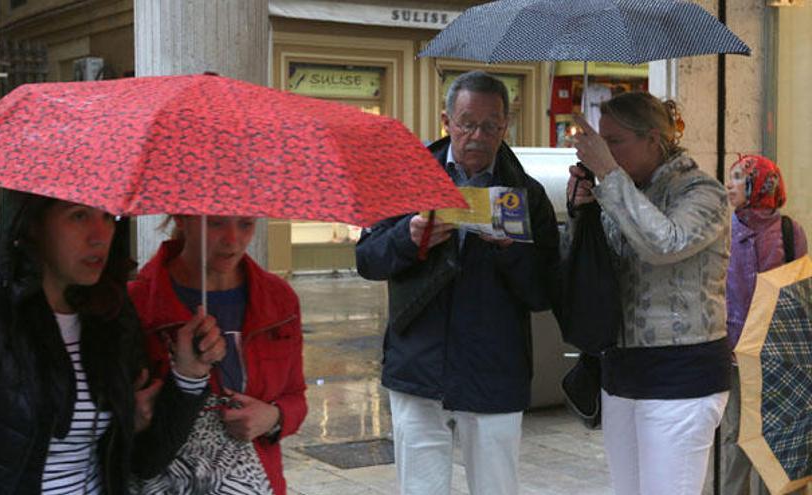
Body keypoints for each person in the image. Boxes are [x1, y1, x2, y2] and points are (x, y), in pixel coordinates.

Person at [0, 190, 224, 494]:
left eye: (109, 216)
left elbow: (145, 463)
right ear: (33, 224)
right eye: (79, 215)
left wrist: (189, 376)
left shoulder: (110, 315)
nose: (100, 236)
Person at [355, 70, 560, 495]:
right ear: (446, 121)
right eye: (467, 123)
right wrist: (408, 238)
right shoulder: (406, 178)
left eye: (491, 125)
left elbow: (543, 292)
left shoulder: (528, 195)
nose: (478, 136)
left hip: (494, 372)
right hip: (418, 366)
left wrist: (511, 251)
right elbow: (367, 260)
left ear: (506, 126)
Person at [568, 92, 732, 495]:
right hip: (622, 371)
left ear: (654, 140)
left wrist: (608, 174)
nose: (604, 151)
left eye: (614, 141)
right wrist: (582, 212)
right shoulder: (620, 191)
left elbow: (665, 244)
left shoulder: (703, 192)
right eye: (601, 141)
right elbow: (601, 270)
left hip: (682, 375)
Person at [128, 215, 307, 495]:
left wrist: (274, 417)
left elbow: (296, 395)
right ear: (182, 217)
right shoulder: (137, 303)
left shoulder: (278, 299)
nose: (233, 240)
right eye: (216, 223)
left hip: (254, 481)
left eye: (246, 224)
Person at [721, 155, 807, 495]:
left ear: (762, 185)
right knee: (738, 436)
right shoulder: (724, 229)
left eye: (740, 177)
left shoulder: (789, 230)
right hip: (735, 353)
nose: (730, 184)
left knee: (783, 433)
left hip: (779, 353)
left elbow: (799, 292)